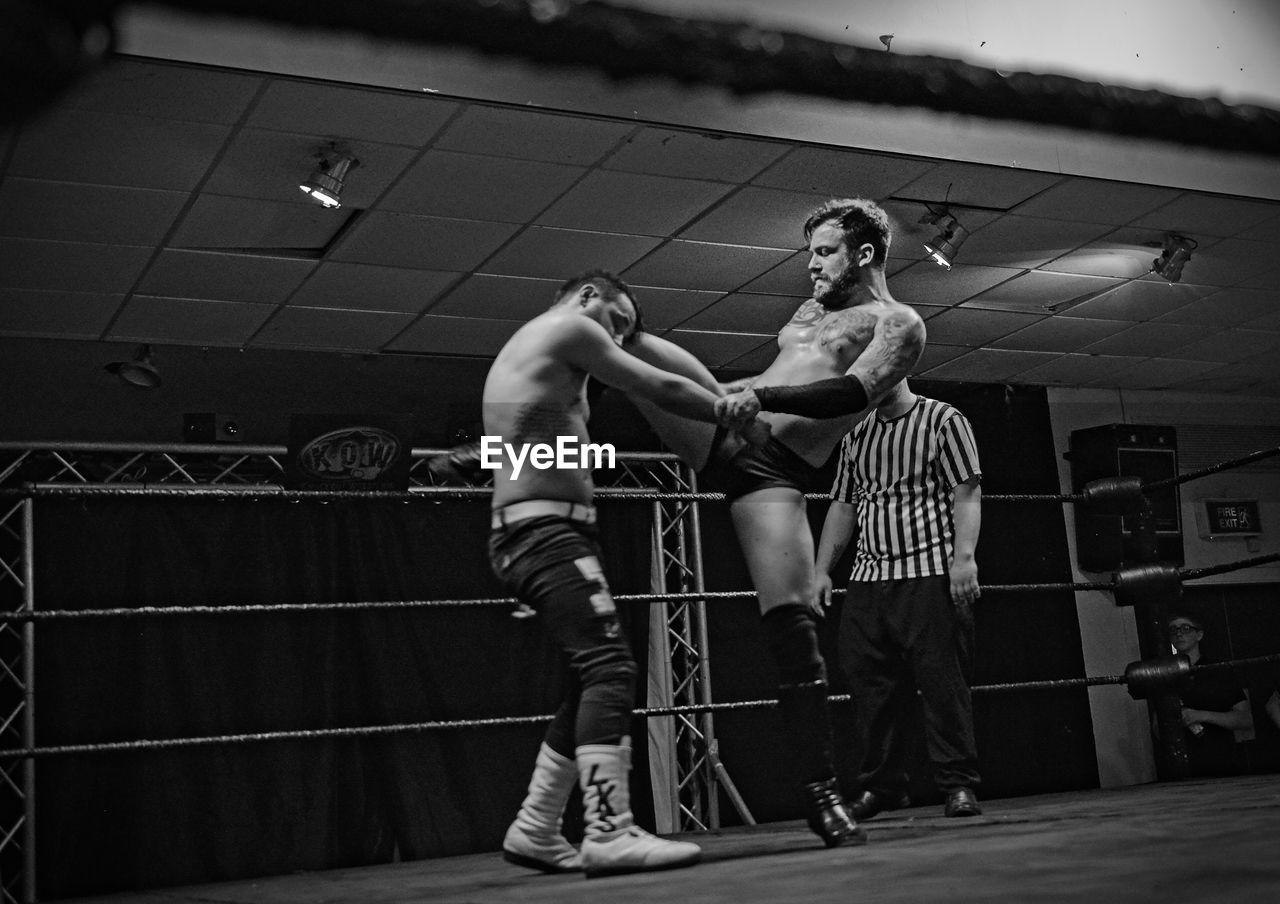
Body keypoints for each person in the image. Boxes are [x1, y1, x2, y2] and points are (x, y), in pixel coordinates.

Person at [620, 198, 926, 846]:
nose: (810, 265)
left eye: (824, 252)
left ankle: (821, 796)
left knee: (794, 636)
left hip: (774, 469)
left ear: (864, 254)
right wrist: (738, 394)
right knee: (612, 337)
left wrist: (760, 397)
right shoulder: (810, 311)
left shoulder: (897, 323)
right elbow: (775, 373)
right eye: (809, 251)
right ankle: (496, 461)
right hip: (730, 425)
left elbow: (850, 393)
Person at [435, 270, 761, 878]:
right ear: (589, 298)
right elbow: (659, 385)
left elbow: (535, 448)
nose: (618, 339)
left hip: (546, 531)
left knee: (590, 680)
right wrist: (726, 407)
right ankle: (608, 831)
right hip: (544, 533)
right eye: (617, 322)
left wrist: (479, 457)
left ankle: (535, 828)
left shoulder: (544, 361)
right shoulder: (565, 326)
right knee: (611, 670)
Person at [813, 378, 984, 820]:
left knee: (943, 682)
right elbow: (843, 505)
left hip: (929, 572)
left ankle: (958, 784)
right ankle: (883, 786)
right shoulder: (857, 434)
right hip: (869, 577)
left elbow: (967, 491)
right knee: (870, 686)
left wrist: (964, 558)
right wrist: (820, 571)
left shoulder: (944, 420)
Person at [1165, 613, 1253, 777]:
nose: (1179, 633)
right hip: (1181, 767)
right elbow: (1158, 726)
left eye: (1185, 628)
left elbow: (1245, 719)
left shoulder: (1218, 671)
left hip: (1221, 762)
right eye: (1173, 630)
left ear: (1199, 634)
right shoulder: (1167, 675)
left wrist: (1202, 715)